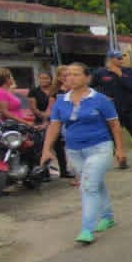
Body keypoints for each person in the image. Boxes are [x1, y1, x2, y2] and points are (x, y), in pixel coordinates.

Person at [41, 63, 126, 244]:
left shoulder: (100, 99)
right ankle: (108, 216)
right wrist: (46, 150)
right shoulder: (61, 101)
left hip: (100, 147)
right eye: (68, 75)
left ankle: (87, 229)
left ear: (87, 77)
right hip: (74, 150)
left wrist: (120, 149)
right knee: (95, 183)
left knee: (87, 186)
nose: (71, 78)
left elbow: (114, 125)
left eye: (76, 74)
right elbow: (54, 126)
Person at [90, 49, 132, 169]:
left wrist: (119, 73)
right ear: (110, 59)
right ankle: (121, 160)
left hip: (129, 109)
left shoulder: (127, 71)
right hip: (111, 111)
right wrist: (102, 97)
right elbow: (90, 88)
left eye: (122, 58)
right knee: (113, 137)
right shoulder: (100, 73)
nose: (121, 60)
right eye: (118, 58)